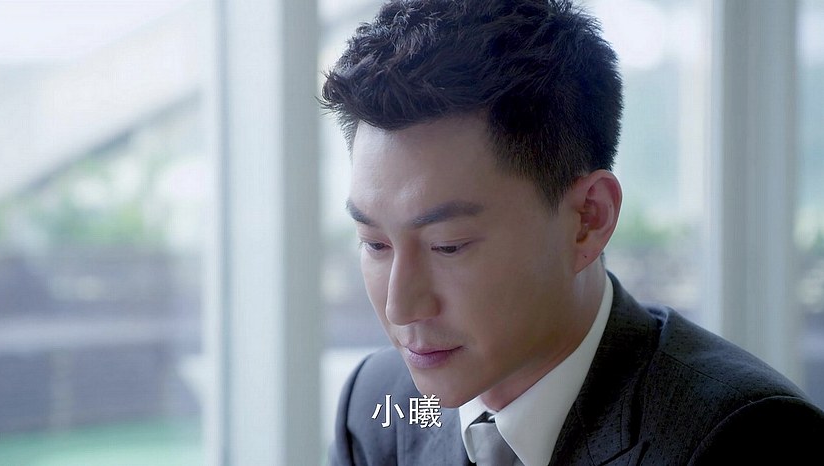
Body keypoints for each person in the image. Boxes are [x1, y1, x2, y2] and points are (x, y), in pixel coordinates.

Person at [320, 1, 824, 464]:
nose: (400, 308)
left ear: (588, 219)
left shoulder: (746, 439)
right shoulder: (381, 404)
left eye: (447, 245)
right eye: (375, 244)